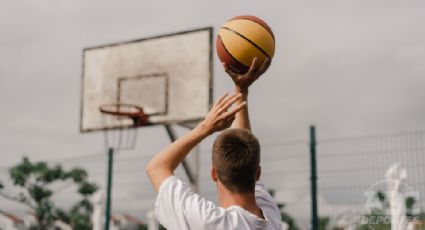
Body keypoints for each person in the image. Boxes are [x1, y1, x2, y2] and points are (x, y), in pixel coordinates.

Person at [146, 57, 282, 230]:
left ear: (213, 174)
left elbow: (156, 167)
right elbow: (244, 143)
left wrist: (205, 127)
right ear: (257, 173)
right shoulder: (271, 217)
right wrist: (241, 89)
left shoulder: (207, 222)